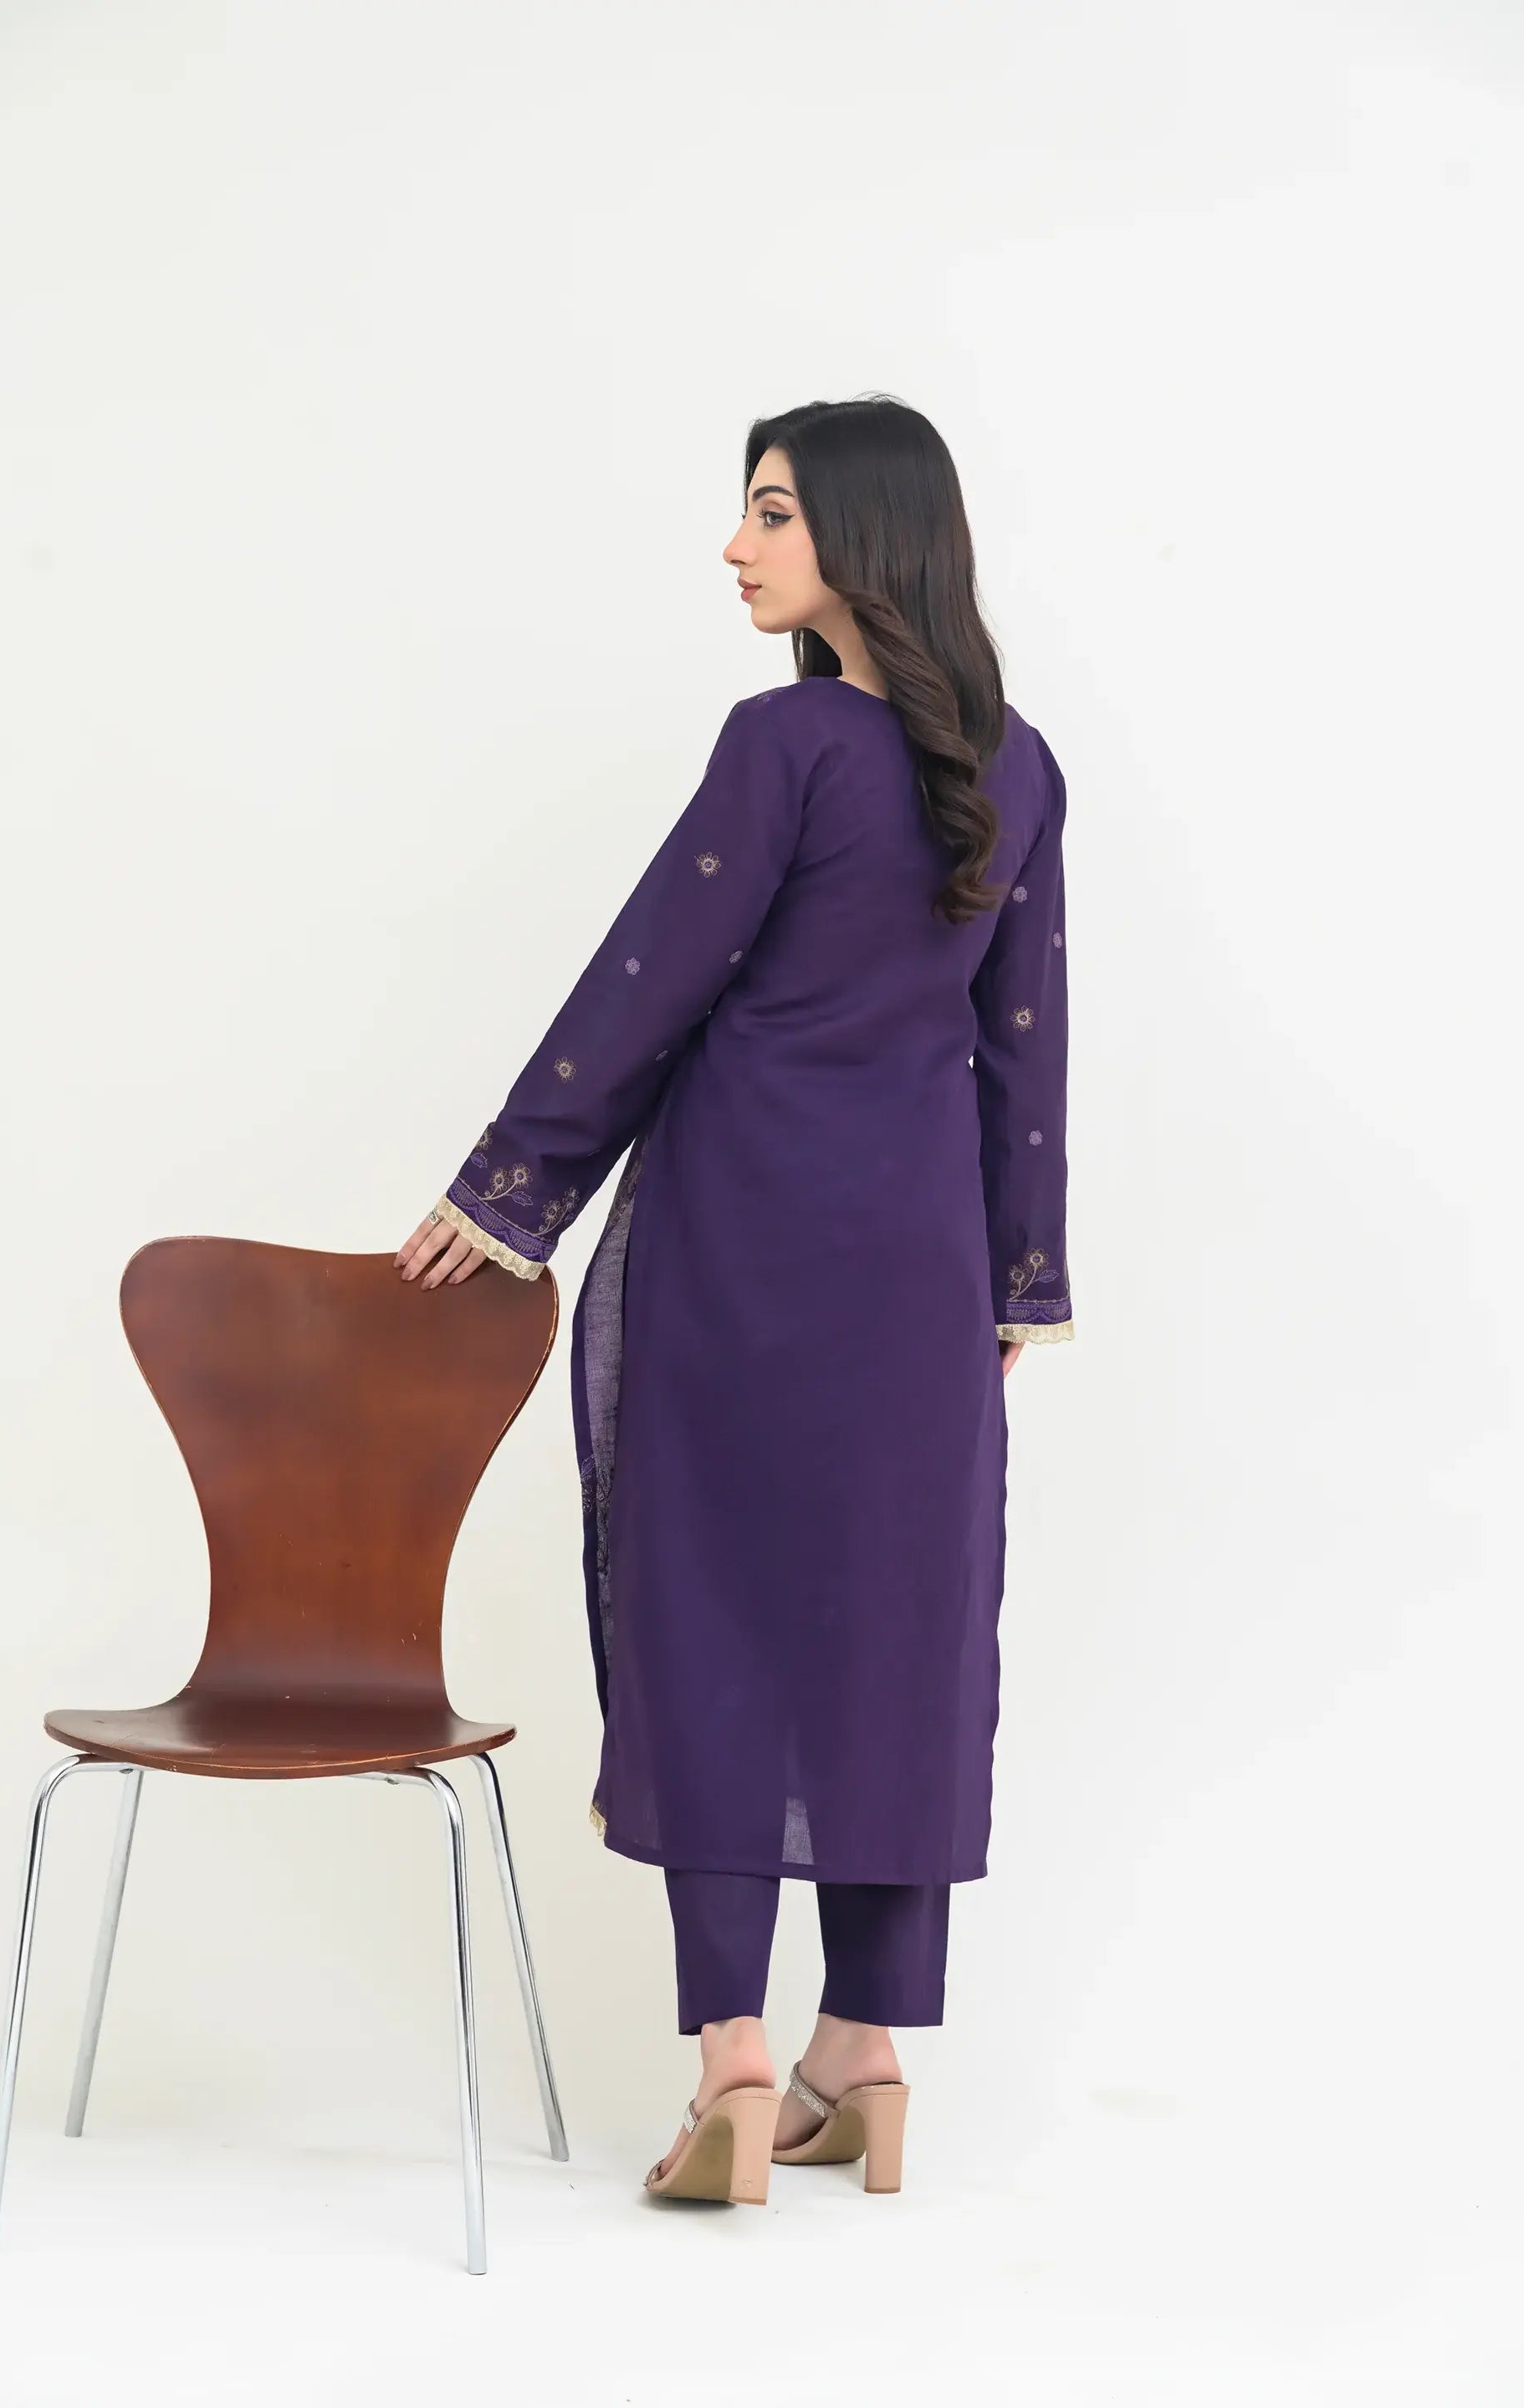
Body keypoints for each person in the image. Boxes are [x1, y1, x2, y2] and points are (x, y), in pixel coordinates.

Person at [395, 396, 1072, 2205]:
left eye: (769, 511)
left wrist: (509, 1188)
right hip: (924, 1274)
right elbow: (1027, 1051)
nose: (737, 544)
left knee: (717, 1615)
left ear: (863, 532)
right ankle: (872, 2055)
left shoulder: (785, 745)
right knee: (896, 1628)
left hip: (744, 1242)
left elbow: (651, 982)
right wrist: (1023, 1273)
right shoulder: (1022, 767)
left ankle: (738, 2072)